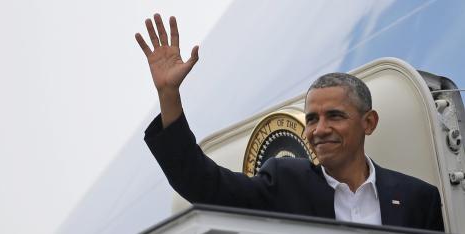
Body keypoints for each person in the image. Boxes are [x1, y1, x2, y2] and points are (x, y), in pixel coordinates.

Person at [136, 14, 444, 231]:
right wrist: (169, 95)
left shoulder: (418, 198)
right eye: (312, 119)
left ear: (369, 122)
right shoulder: (285, 183)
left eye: (334, 116)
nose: (319, 129)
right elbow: (203, 184)